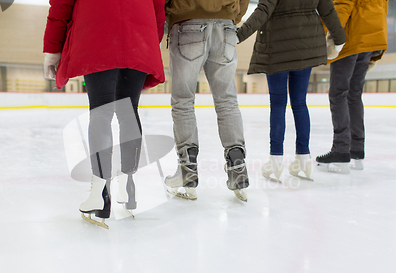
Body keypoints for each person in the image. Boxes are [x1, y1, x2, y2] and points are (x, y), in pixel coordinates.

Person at [43, 0, 166, 228]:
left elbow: (61, 5)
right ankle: (129, 186)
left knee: (101, 110)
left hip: (97, 27)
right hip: (140, 28)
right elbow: (159, 9)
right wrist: (147, 37)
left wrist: (52, 48)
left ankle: (99, 192)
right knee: (129, 111)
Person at [236, 0, 346, 181]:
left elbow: (263, 10)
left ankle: (276, 160)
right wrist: (339, 39)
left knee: (278, 104)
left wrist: (239, 35)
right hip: (307, 46)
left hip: (278, 47)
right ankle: (303, 159)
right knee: (300, 103)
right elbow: (328, 10)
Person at [164, 0, 251, 202]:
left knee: (183, 100)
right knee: (227, 101)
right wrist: (232, 15)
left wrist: (169, 14)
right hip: (226, 25)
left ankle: (187, 173)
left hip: (187, 22)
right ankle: (237, 168)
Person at [316, 0, 388, 173]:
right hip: (371, 40)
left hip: (351, 40)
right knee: (354, 95)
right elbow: (382, 10)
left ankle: (341, 149)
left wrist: (332, 37)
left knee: (338, 94)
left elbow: (341, 7)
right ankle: (356, 148)